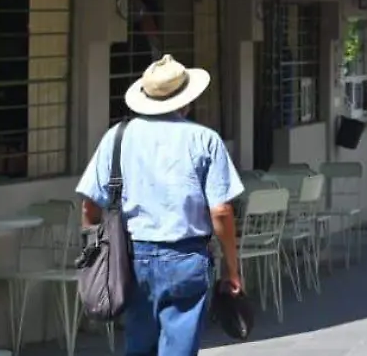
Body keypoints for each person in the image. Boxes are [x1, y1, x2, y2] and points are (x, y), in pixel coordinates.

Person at [76, 56, 244, 356]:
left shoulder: (117, 137)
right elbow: (221, 211)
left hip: (133, 257)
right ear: (187, 100)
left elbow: (90, 205)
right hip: (187, 255)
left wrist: (97, 248)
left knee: (138, 345)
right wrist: (233, 268)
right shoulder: (205, 140)